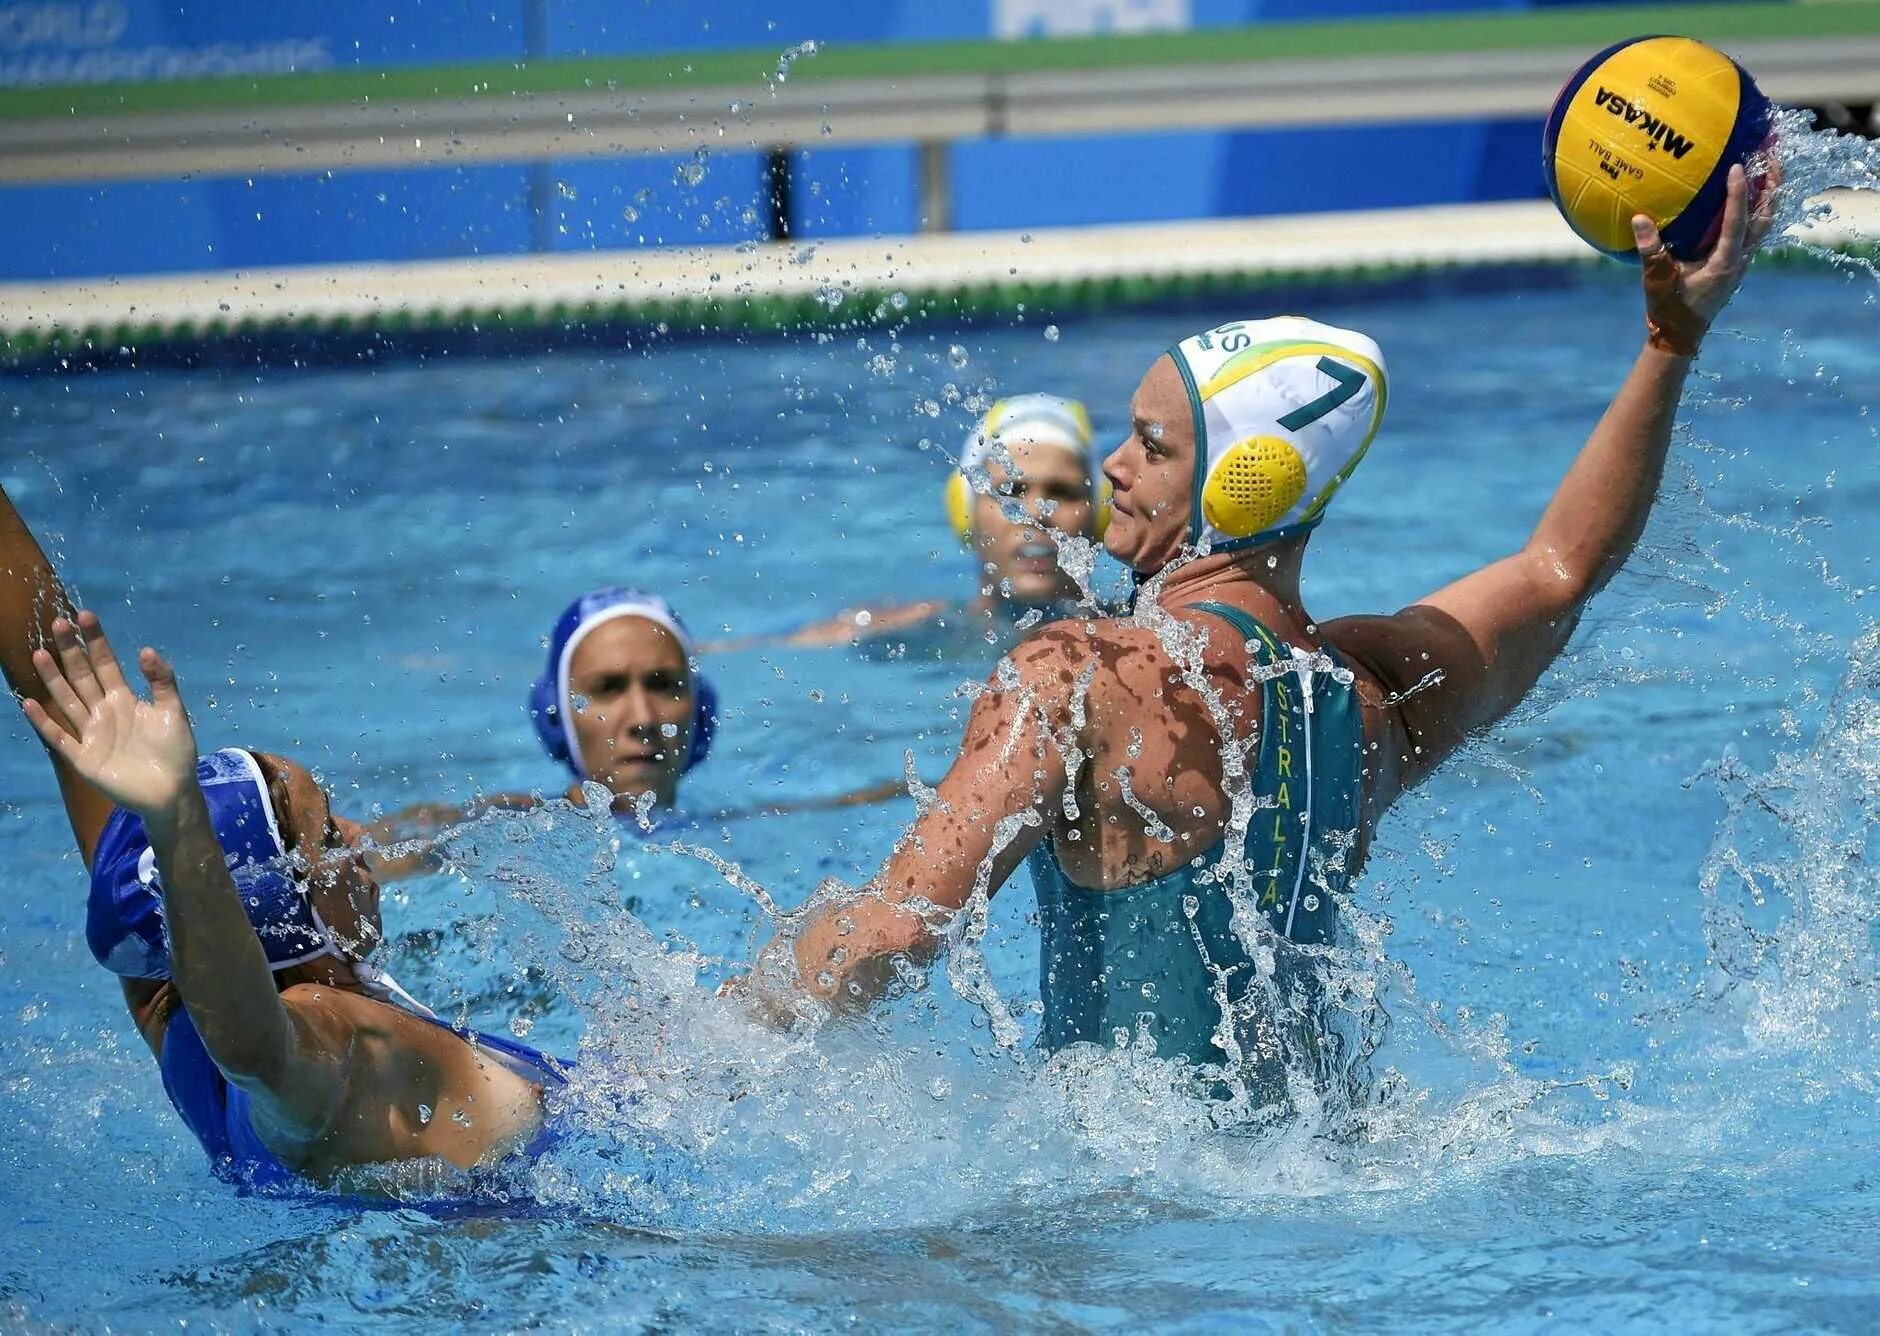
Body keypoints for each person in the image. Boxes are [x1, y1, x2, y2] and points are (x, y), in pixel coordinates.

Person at [741, 169, 1778, 1093]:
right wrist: (1668, 342)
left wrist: (684, 1050)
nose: (1110, 471)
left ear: (1246, 481)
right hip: (1322, 1159)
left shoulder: (1071, 674)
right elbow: (1561, 568)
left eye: (1149, 446)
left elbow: (890, 931)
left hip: (1122, 1195)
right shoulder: (1373, 693)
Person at [1, 484, 576, 1190]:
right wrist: (181, 822)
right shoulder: (328, 1041)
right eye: (328, 831)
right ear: (285, 916)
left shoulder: (169, 1014)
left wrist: (168, 825)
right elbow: (254, 1046)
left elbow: (50, 681)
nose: (360, 839)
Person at [705, 394, 1111, 653]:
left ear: (1100, 514)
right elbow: (755, 651)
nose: (1036, 511)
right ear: (966, 512)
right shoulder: (911, 630)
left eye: (1063, 492)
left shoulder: (1134, 636)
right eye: (1010, 491)